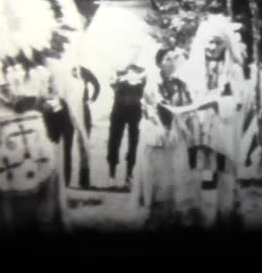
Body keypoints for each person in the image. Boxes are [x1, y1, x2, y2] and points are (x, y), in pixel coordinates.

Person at [162, 14, 252, 229]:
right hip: (195, 127)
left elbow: (236, 101)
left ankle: (226, 216)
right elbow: (180, 93)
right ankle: (189, 216)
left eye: (218, 42)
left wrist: (215, 102)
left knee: (225, 174)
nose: (212, 46)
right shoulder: (191, 70)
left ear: (225, 44)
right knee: (190, 172)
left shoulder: (234, 70)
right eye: (209, 41)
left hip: (223, 127)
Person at [131, 46, 195, 229]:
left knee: (174, 174)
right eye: (167, 59)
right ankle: (153, 210)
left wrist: (185, 127)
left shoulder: (180, 84)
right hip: (157, 131)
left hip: (175, 133)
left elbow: (186, 107)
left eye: (174, 58)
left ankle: (172, 211)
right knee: (156, 173)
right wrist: (168, 127)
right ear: (158, 63)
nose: (172, 62)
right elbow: (158, 110)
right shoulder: (153, 84)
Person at [107, 48, 147, 187]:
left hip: (135, 110)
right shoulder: (117, 71)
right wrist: (123, 77)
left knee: (133, 143)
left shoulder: (143, 71)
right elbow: (112, 83)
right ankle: (111, 174)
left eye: (134, 54)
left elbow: (145, 88)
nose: (131, 57)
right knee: (114, 141)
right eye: (128, 53)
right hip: (119, 109)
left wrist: (137, 77)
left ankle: (129, 175)